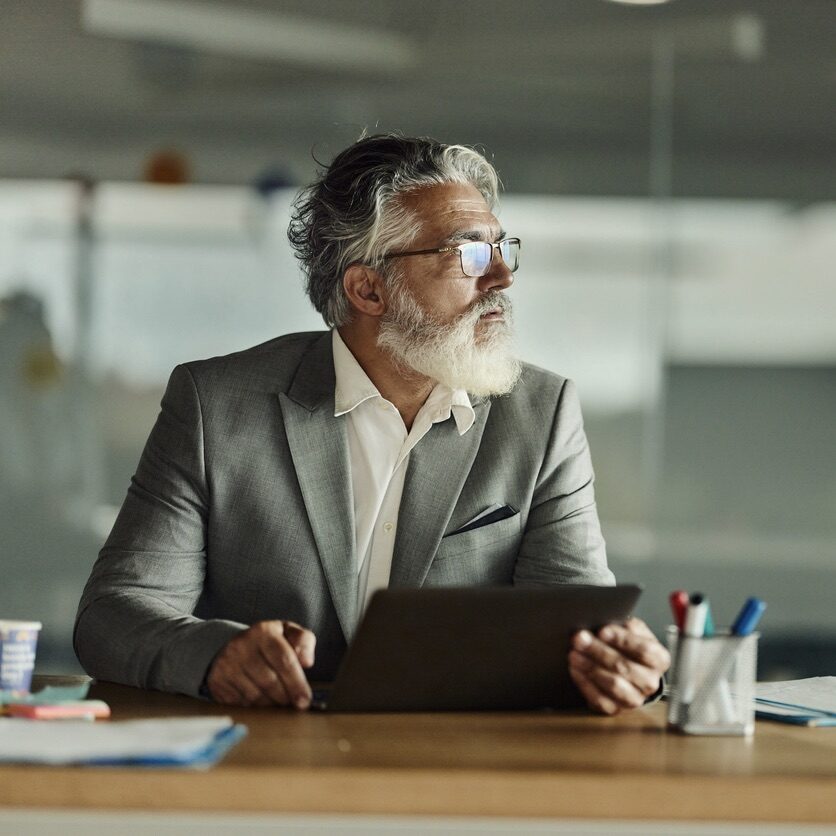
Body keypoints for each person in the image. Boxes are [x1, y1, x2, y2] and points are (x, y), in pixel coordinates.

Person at [74, 134, 669, 714]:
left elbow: (579, 626)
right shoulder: (216, 405)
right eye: (469, 254)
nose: (502, 278)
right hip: (263, 765)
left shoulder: (541, 413)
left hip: (459, 774)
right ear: (368, 288)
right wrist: (217, 657)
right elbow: (114, 615)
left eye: (501, 248)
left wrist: (623, 668)